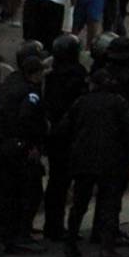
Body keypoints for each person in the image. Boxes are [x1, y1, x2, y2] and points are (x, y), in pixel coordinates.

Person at [59, 68, 129, 257]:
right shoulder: (118, 103)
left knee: (79, 203)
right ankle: (107, 248)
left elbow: (63, 129)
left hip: (83, 160)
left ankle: (70, 243)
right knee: (109, 204)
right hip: (112, 161)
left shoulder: (81, 102)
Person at [0, 49, 49, 254]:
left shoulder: (10, 84)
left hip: (5, 146)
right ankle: (20, 234)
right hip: (20, 149)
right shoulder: (30, 93)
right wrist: (31, 145)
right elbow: (27, 120)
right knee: (29, 192)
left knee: (7, 192)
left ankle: (3, 233)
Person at [42, 33, 89, 242]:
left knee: (56, 182)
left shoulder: (50, 76)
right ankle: (66, 227)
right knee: (74, 183)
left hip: (55, 135)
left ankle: (52, 225)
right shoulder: (78, 75)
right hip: (72, 136)